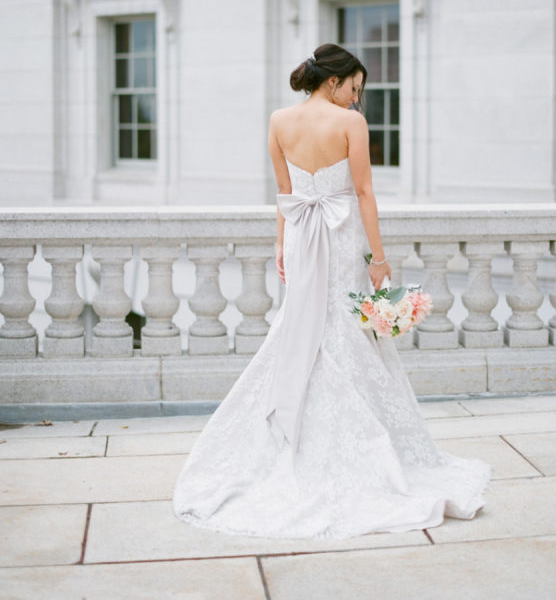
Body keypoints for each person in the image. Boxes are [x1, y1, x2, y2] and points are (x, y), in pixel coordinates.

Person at [173, 43, 491, 539]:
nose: (356, 100)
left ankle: (290, 433)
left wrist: (282, 243)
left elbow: (285, 195)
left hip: (302, 235)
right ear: (334, 81)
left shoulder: (279, 120)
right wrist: (380, 259)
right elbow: (364, 192)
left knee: (303, 323)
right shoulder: (351, 125)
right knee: (344, 324)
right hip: (341, 236)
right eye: (355, 89)